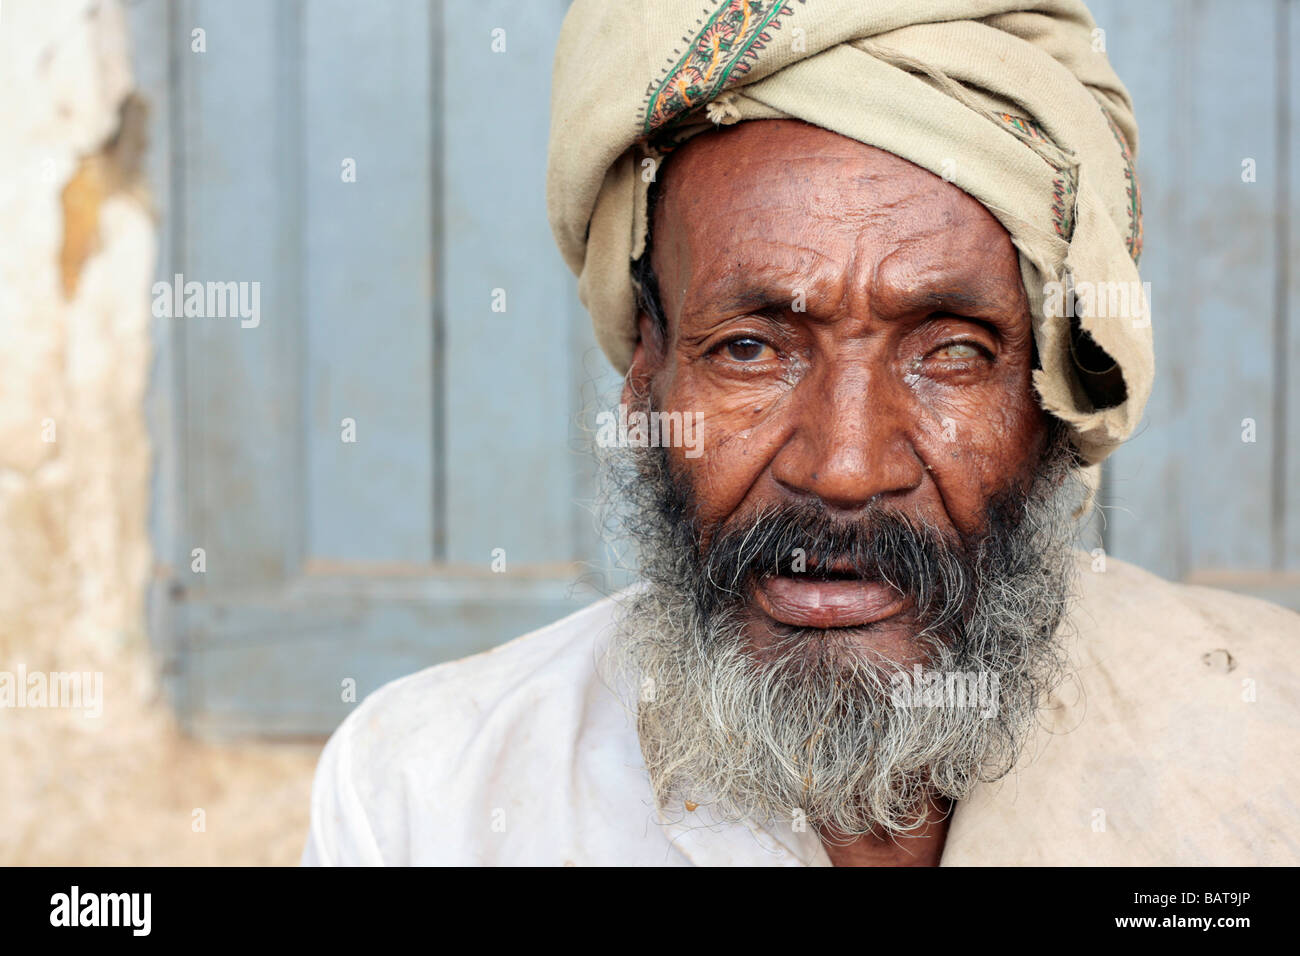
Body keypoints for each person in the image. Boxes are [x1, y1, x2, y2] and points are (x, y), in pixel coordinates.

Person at [302, 0, 1300, 866]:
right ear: (642, 371)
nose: (845, 466)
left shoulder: (1270, 745)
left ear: (1051, 390)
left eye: (950, 352)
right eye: (750, 349)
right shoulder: (430, 797)